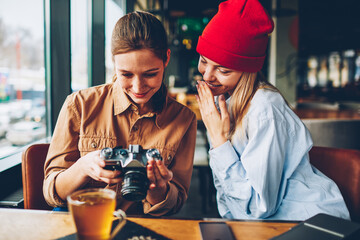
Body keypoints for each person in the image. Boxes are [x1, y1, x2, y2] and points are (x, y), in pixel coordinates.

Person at [195, 0, 350, 221]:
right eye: (203, 61)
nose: (207, 75)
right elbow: (230, 199)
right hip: (263, 225)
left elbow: (259, 208)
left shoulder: (264, 108)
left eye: (223, 69)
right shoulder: (223, 103)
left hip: (311, 222)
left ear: (247, 70)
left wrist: (219, 141)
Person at [43, 11, 197, 216]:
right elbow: (51, 192)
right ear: (114, 62)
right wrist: (83, 168)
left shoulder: (184, 119)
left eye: (150, 74)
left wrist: (158, 190)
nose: (138, 86)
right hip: (83, 221)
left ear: (166, 58)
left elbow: (175, 203)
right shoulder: (79, 105)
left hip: (140, 225)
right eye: (126, 74)